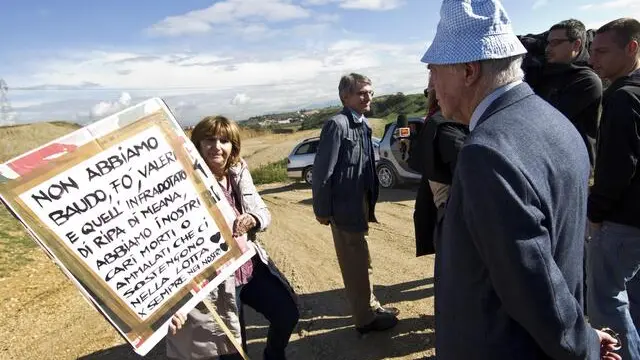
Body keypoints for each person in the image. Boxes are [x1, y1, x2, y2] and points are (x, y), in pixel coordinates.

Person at [420, 0, 620, 359]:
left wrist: (585, 345)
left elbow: (531, 286)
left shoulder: (486, 153)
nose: (432, 83)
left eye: (435, 69)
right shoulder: (553, 120)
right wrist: (583, 334)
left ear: (468, 70)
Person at [167, 116, 299, 360]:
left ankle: (273, 356)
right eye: (209, 139)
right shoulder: (182, 182)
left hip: (249, 266)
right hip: (217, 280)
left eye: (224, 140)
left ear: (233, 146)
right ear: (196, 144)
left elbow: (263, 211)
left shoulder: (238, 171)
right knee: (234, 350)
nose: (217, 146)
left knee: (287, 313)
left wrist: (253, 218)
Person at [312, 73, 400, 335]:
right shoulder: (337, 125)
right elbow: (322, 172)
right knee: (355, 262)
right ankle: (365, 320)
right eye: (361, 92)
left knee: (362, 257)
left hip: (359, 203)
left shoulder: (363, 125)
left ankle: (371, 305)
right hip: (343, 207)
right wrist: (322, 210)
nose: (368, 97)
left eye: (370, 92)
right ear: (345, 96)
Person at [587, 17, 640, 360]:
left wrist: (594, 214)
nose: (595, 61)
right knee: (634, 299)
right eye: (593, 52)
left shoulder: (621, 97)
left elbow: (617, 166)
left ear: (632, 48)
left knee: (607, 302)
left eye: (603, 52)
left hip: (620, 221)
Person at [408, 77, 469, 256]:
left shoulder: (435, 121)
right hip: (454, 211)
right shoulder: (444, 123)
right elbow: (468, 169)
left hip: (446, 210)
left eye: (428, 92)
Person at [536, 19, 602, 166]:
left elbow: (546, 120)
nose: (547, 49)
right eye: (548, 43)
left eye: (555, 43)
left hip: (573, 164)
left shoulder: (587, 80)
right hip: (549, 161)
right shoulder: (549, 72)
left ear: (576, 44)